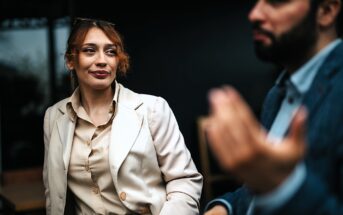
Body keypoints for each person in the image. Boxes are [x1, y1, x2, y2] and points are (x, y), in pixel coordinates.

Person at [43, 17, 203, 215]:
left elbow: (184, 181)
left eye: (110, 52)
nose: (102, 60)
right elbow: (53, 192)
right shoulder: (53, 117)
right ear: (70, 60)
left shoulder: (152, 109)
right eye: (89, 50)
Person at [204, 0, 343, 214]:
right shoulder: (277, 94)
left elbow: (274, 183)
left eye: (276, 1)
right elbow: (258, 187)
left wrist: (282, 186)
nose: (254, 14)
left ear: (326, 11)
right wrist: (225, 207)